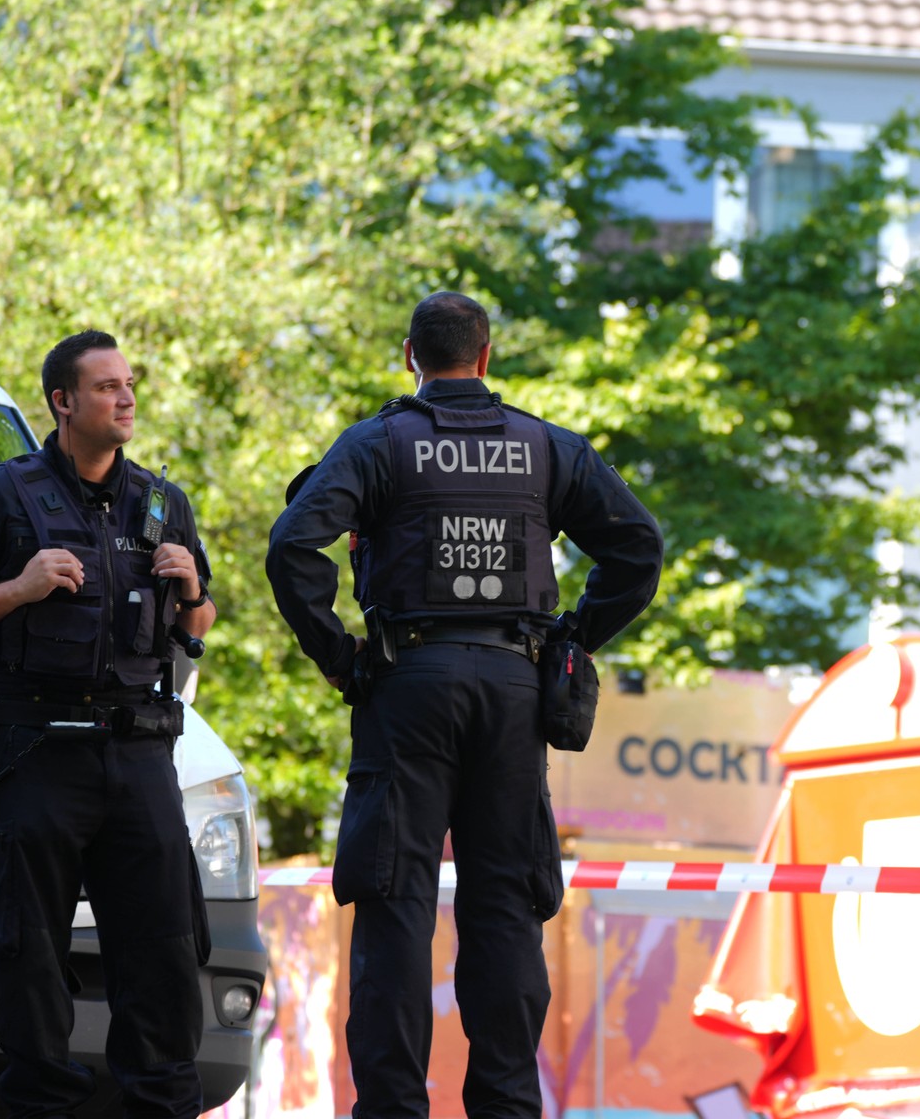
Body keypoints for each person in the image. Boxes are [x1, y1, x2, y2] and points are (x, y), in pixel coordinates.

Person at [267, 290, 663, 1119]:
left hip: (406, 686)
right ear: (486, 358)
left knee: (394, 903)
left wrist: (339, 658)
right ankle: (508, 1109)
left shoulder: (377, 444)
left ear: (411, 355)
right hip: (515, 692)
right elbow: (638, 548)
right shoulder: (546, 448)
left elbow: (293, 546)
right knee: (505, 908)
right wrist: (573, 638)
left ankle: (393, 1109)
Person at [0, 330, 218, 1119]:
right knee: (29, 956)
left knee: (167, 954)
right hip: (37, 755)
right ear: (63, 401)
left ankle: (162, 1105)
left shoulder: (162, 503)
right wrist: (17, 587)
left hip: (142, 757)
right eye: (108, 386)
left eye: (130, 384)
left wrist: (191, 593)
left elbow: (198, 627)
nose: (126, 398)